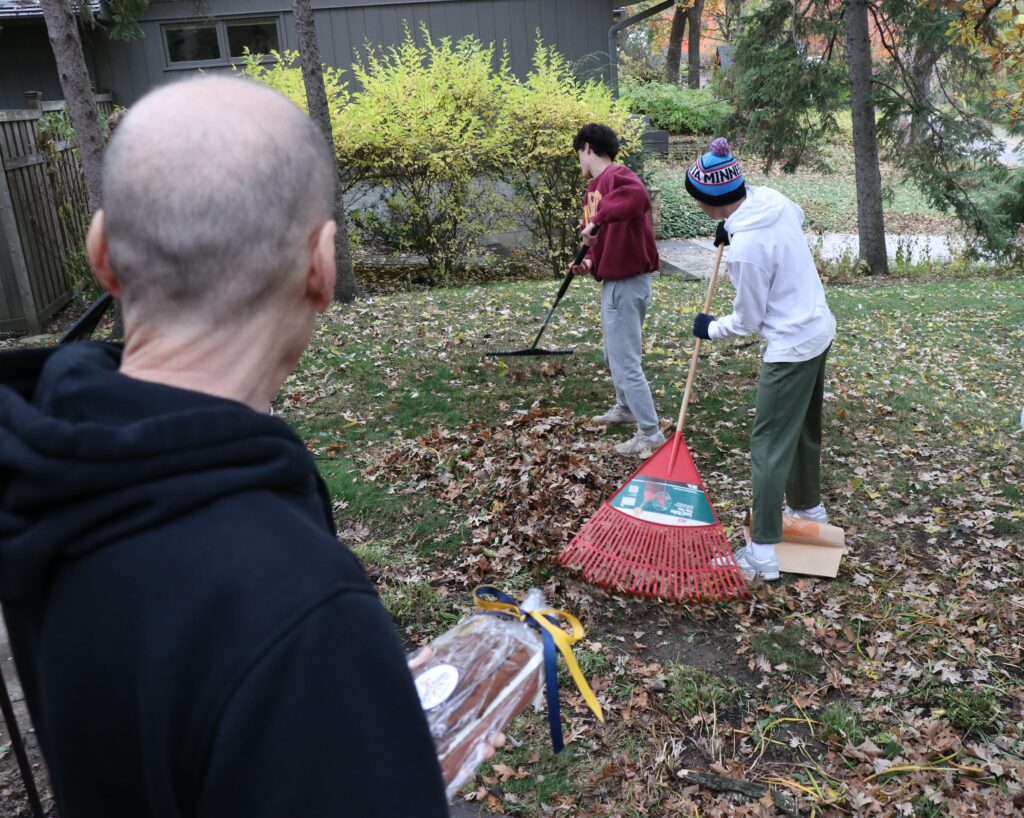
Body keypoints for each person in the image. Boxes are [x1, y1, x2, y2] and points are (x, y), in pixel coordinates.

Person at [0, 76, 452, 817]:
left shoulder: (51, 481)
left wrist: (358, 731)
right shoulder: (302, 614)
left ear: (101, 254)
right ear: (323, 265)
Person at [684, 137, 836, 581]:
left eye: (700, 203)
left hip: (790, 345)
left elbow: (748, 319)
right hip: (818, 328)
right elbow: (795, 218)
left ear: (711, 202)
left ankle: (764, 554)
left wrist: (709, 328)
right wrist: (730, 228)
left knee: (768, 446)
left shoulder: (746, 250)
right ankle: (811, 512)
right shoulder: (772, 201)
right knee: (803, 430)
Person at [570, 123, 664, 456]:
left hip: (628, 282)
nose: (578, 162)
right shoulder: (593, 190)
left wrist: (597, 219)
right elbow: (599, 241)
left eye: (578, 154)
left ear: (587, 148)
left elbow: (638, 197)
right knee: (614, 354)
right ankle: (625, 407)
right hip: (613, 280)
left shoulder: (617, 177)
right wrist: (590, 262)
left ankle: (650, 434)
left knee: (626, 361)